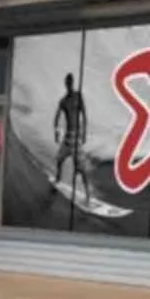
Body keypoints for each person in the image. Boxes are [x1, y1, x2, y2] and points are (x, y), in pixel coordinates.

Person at [52, 72, 89, 202]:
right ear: (65, 84)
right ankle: (58, 179)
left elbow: (84, 115)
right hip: (67, 138)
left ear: (72, 83)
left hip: (76, 138)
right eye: (67, 82)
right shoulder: (63, 101)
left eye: (70, 82)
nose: (69, 84)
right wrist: (56, 131)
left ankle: (87, 195)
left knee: (81, 168)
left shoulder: (78, 96)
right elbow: (56, 117)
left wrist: (84, 133)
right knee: (59, 159)